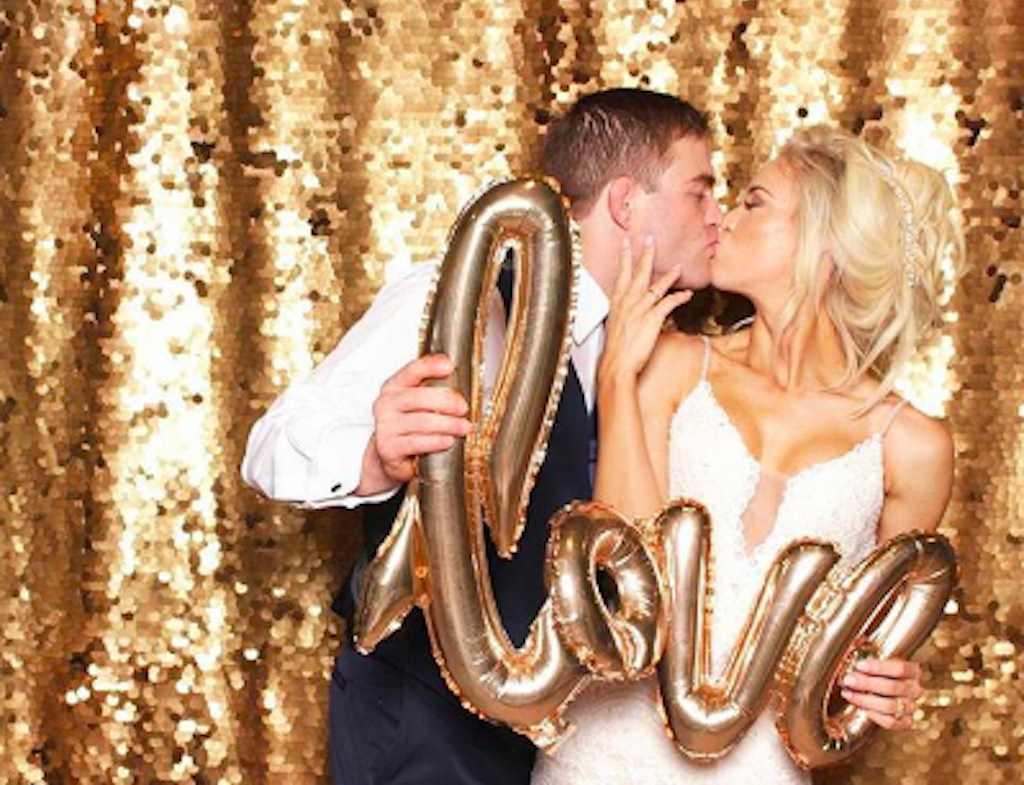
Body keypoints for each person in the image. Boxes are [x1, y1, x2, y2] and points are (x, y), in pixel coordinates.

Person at [242, 91, 923, 784]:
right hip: (430, 719)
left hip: (563, 734)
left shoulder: (670, 353)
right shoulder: (466, 302)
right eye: (702, 192)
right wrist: (370, 456)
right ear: (629, 205)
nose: (717, 217)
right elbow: (272, 444)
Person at [531, 126, 963, 785]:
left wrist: (885, 682)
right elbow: (626, 580)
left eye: (753, 202)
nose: (722, 218)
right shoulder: (671, 365)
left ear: (823, 243)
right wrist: (618, 378)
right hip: (603, 758)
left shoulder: (913, 447)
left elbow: (859, 661)